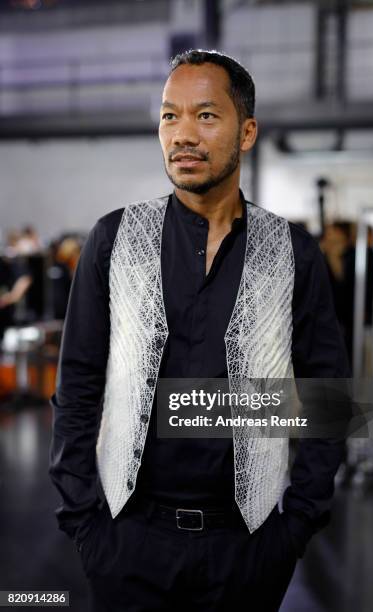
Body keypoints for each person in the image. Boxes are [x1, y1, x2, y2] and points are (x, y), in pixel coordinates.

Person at [49, 50, 350, 612]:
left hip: (248, 547)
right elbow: (78, 387)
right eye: (169, 116)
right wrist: (84, 523)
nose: (183, 134)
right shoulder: (114, 241)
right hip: (127, 542)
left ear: (247, 131)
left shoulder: (292, 252)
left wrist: (296, 527)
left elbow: (326, 396)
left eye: (206, 116)